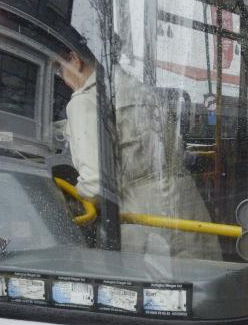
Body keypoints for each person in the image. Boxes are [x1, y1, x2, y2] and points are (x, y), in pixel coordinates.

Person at [59, 50, 221, 260]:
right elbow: (177, 150)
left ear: (74, 59)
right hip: (187, 206)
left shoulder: (84, 101)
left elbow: (96, 184)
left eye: (60, 68)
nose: (63, 78)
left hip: (144, 218)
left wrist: (71, 201)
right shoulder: (141, 89)